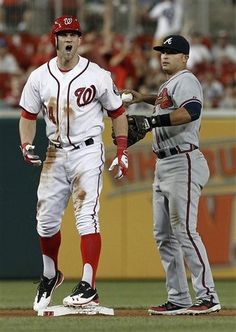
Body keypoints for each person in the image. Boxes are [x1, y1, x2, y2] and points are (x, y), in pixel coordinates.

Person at [18, 15, 128, 312]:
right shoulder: (39, 76)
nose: (68, 39)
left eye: (73, 34)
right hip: (55, 152)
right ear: (54, 39)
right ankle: (50, 275)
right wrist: (26, 144)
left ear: (80, 40)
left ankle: (89, 285)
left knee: (86, 217)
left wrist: (120, 149)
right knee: (45, 222)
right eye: (63, 34)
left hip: (87, 152)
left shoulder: (98, 74)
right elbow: (27, 116)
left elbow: (118, 113)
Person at [123, 35, 221, 315]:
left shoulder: (187, 79)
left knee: (185, 231)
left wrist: (152, 120)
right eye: (163, 51)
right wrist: (144, 99)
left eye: (172, 52)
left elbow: (191, 111)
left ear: (185, 58)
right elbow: (167, 103)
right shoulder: (170, 84)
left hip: (183, 160)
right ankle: (178, 298)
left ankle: (208, 296)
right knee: (164, 234)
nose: (165, 56)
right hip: (164, 164)